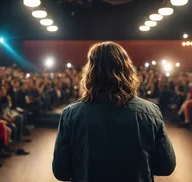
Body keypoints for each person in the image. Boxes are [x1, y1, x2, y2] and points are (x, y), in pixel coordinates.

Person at [52, 41, 176, 182]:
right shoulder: (150, 111)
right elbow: (166, 166)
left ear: (90, 72)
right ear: (127, 70)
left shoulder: (71, 114)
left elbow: (60, 171)